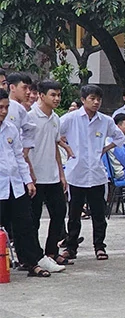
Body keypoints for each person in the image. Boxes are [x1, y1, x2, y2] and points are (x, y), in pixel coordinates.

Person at [59, 84, 125, 261]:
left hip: (96, 173)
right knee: (74, 214)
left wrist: (105, 148)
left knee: (99, 214)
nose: (96, 102)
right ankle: (71, 246)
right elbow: (54, 134)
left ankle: (100, 246)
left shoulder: (106, 120)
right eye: (92, 99)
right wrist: (66, 147)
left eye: (99, 99)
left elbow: (119, 137)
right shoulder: (71, 118)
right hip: (76, 173)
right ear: (83, 100)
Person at [0, 89, 61, 277]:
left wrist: (28, 181)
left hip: (15, 185)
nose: (3, 111)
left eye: (6, 107)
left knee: (25, 225)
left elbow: (19, 157)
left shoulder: (10, 129)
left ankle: (31, 262)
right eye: (0, 108)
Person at [27, 80, 70, 267]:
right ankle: (34, 256)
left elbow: (54, 146)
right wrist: (29, 175)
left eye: (59, 95)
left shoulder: (55, 118)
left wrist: (61, 174)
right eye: (53, 95)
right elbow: (24, 150)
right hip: (35, 177)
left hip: (52, 175)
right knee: (33, 219)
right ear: (42, 95)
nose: (57, 98)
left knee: (60, 212)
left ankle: (51, 251)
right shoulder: (29, 118)